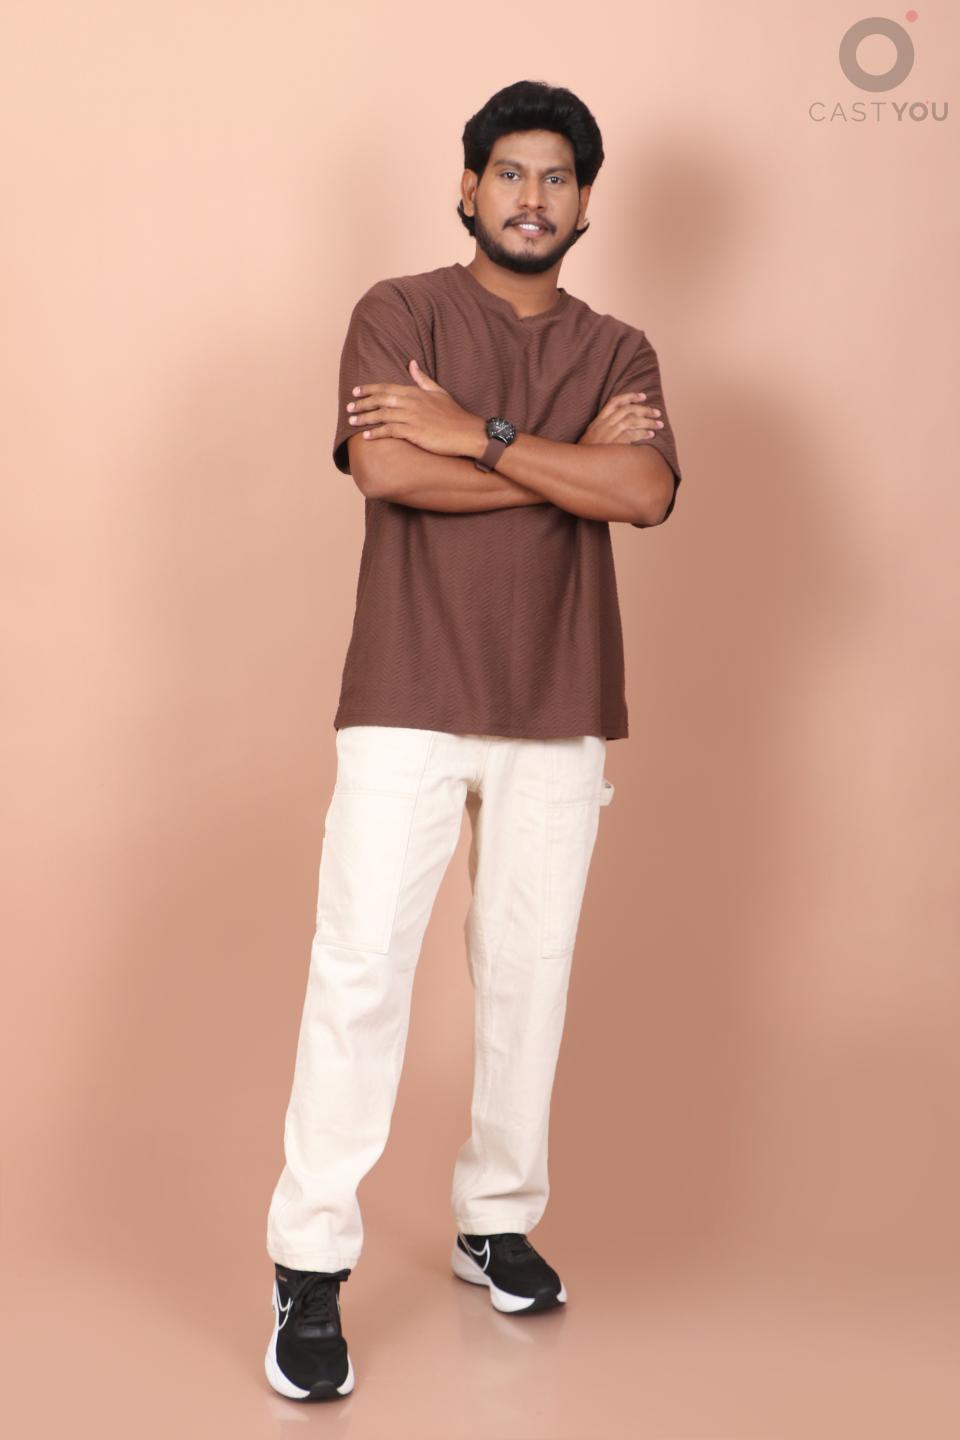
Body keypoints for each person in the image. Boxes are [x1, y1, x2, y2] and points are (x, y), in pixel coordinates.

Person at [263, 78, 683, 1402]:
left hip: (560, 700)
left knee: (528, 977)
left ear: (586, 203)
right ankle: (309, 1264)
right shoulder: (399, 311)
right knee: (360, 974)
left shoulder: (620, 348)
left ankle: (495, 1219)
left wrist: (481, 434)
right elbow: (389, 469)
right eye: (509, 173)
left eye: (556, 178)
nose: (531, 198)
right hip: (407, 689)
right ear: (467, 187)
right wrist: (561, 470)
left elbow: (644, 491)